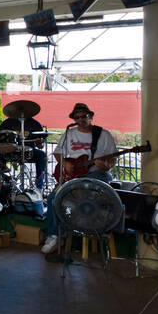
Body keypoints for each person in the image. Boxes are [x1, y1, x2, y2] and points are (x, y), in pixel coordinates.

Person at [41, 103, 118, 255]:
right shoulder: (69, 134)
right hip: (73, 176)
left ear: (91, 116)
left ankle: (83, 229)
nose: (80, 119)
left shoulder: (103, 135)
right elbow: (57, 153)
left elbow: (112, 160)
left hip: (96, 175)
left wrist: (105, 165)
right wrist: (66, 163)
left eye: (84, 116)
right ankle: (55, 236)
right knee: (52, 198)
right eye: (77, 117)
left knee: (82, 197)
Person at [0, 110, 48, 190]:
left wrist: (39, 143)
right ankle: (0, 182)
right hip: (10, 151)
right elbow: (1, 142)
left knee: (41, 155)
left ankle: (39, 185)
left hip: (29, 152)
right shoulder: (7, 123)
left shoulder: (35, 124)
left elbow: (40, 146)